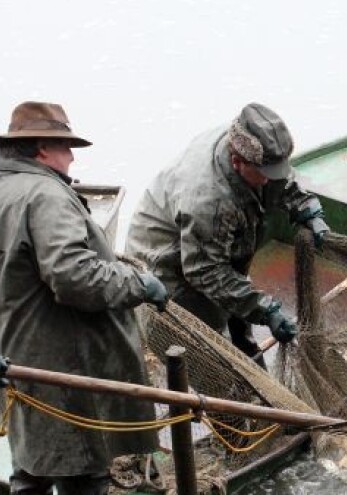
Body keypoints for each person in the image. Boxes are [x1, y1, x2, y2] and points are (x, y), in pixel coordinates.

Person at [0, 101, 168, 495]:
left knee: (30, 467)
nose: (72, 157)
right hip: (65, 373)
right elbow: (75, 278)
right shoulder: (47, 196)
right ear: (42, 148)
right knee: (82, 472)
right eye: (66, 146)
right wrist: (139, 283)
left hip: (9, 358)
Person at [125, 102, 330, 363]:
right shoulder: (207, 201)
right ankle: (220, 378)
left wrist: (307, 208)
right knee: (207, 348)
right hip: (168, 258)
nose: (270, 180)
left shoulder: (253, 146)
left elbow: (281, 179)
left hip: (209, 240)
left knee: (239, 314)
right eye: (265, 174)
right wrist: (265, 310)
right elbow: (205, 271)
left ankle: (248, 358)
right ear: (236, 162)